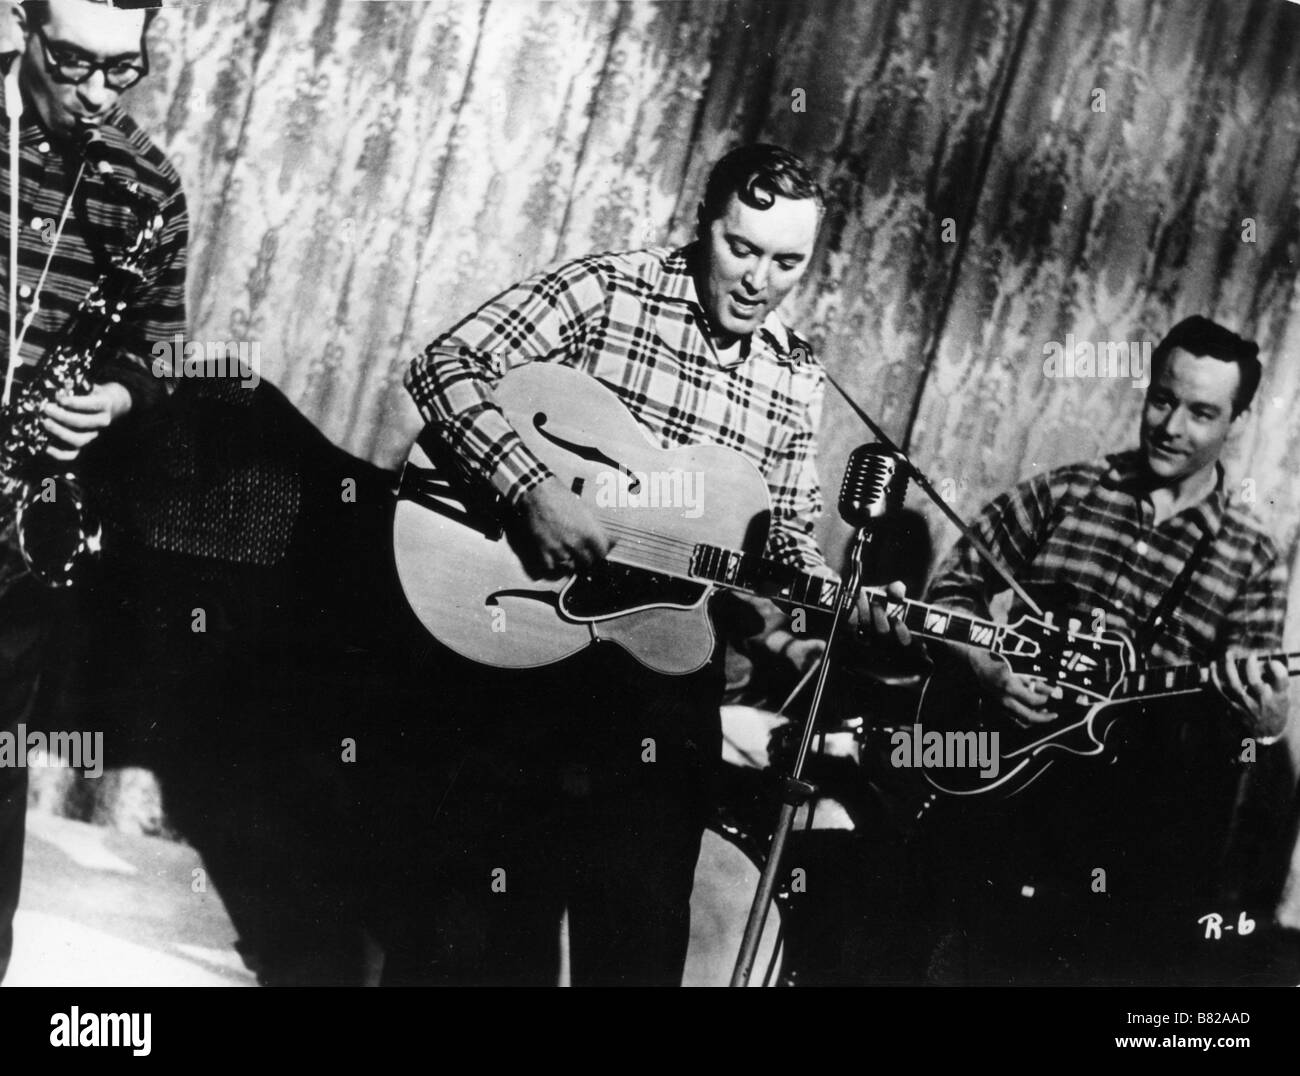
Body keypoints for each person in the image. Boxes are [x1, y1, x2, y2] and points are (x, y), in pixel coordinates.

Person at [392, 143, 831, 985]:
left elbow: (786, 532)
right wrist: (531, 490)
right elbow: (444, 366)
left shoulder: (796, 375)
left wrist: (833, 592)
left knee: (638, 931)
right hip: (532, 639)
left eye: (787, 262)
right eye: (741, 248)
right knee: (479, 915)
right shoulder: (611, 287)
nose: (758, 280)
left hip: (664, 671)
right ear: (705, 226)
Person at [882, 316, 1290, 983]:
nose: (1170, 426)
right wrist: (985, 669)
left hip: (1126, 835)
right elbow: (952, 591)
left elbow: (1239, 719)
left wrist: (1266, 724)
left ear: (1236, 422)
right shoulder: (1065, 492)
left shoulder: (1251, 556)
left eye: (1201, 412)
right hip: (1001, 791)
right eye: (1162, 399)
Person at [0, 0, 186, 982]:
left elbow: (164, 348)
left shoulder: (145, 184)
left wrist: (112, 395)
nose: (98, 97)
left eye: (126, 70)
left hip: (15, 534)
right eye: (74, 64)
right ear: (19, 21)